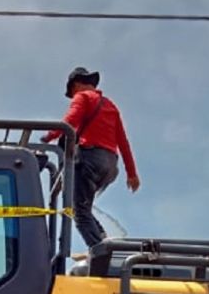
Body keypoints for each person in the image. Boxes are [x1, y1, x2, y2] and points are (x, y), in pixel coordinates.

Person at [41, 67, 139, 248]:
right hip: (110, 165)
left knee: (79, 212)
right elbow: (123, 142)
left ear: (76, 84)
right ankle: (101, 236)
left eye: (71, 92)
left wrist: (48, 136)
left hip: (90, 158)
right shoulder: (111, 106)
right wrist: (132, 174)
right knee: (81, 205)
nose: (72, 96)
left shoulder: (83, 97)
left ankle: (101, 251)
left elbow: (70, 120)